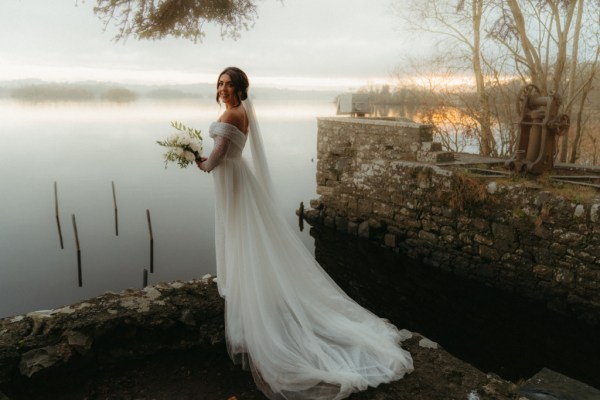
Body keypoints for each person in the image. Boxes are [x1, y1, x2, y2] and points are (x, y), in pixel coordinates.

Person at [197, 66, 413, 400]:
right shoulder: (241, 112)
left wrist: (198, 161)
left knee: (243, 239)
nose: (223, 88)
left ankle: (255, 310)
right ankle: (254, 294)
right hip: (240, 179)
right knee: (249, 239)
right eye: (220, 84)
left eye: (229, 84)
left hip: (233, 182)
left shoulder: (230, 114)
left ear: (240, 88)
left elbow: (217, 157)